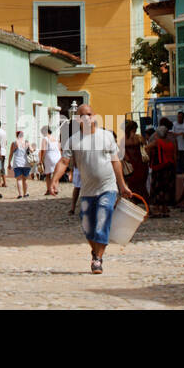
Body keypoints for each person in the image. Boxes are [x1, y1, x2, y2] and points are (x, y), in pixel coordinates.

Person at [49, 104, 132, 274]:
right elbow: (64, 162)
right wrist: (54, 180)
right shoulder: (73, 140)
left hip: (107, 187)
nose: (85, 118)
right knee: (88, 228)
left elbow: (116, 162)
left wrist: (122, 185)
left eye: (88, 114)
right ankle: (95, 251)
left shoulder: (106, 136)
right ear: (77, 119)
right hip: (87, 191)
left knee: (103, 216)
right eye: (81, 115)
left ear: (94, 116)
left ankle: (97, 259)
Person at [147, 120, 177, 217]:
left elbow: (146, 148)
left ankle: (157, 208)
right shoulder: (170, 142)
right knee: (166, 188)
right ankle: (164, 208)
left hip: (159, 167)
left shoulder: (157, 142)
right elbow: (175, 155)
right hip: (169, 167)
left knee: (157, 188)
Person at [122, 120, 148, 201]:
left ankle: (134, 201)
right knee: (141, 184)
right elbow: (145, 147)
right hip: (140, 163)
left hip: (131, 163)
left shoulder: (123, 138)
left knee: (132, 184)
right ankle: (143, 201)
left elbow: (122, 152)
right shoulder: (139, 137)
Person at [40, 125, 62, 195]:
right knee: (56, 174)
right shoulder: (55, 138)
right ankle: (56, 189)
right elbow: (59, 148)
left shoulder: (45, 139)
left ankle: (49, 190)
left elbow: (43, 150)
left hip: (50, 156)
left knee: (48, 175)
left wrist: (41, 159)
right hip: (57, 156)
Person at [10, 130, 32, 198]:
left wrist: (9, 163)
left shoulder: (14, 143)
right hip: (26, 163)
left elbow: (11, 154)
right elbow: (31, 150)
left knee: (19, 179)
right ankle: (25, 194)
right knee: (25, 179)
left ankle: (20, 194)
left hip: (17, 163)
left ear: (17, 135)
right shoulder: (27, 142)